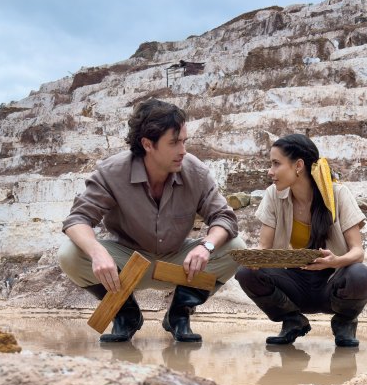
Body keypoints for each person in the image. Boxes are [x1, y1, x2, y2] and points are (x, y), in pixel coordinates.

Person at [59, 98, 245, 343]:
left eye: (184, 141)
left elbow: (224, 217)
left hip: (179, 263)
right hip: (127, 261)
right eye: (174, 142)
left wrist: (206, 246)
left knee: (236, 249)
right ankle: (126, 314)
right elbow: (78, 219)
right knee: (69, 254)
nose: (183, 150)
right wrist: (96, 252)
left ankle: (179, 314)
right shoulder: (111, 172)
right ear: (147, 144)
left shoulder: (195, 171)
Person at [236, 134, 367, 347]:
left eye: (276, 164)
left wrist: (334, 261)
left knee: (360, 274)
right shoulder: (273, 195)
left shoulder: (338, 193)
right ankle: (292, 320)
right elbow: (264, 247)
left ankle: (345, 322)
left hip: (331, 282)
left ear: (298, 165)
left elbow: (358, 252)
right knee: (246, 272)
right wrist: (252, 259)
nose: (269, 172)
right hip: (294, 283)